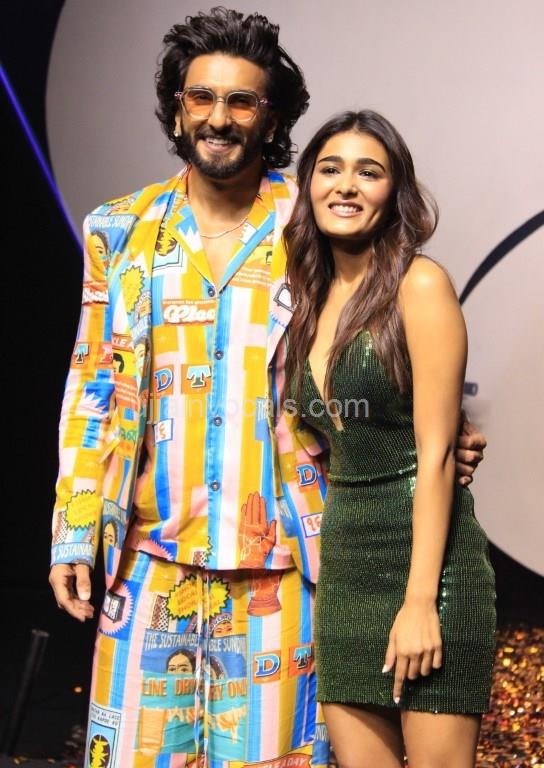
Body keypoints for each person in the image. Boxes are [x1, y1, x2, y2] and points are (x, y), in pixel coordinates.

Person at [48, 8, 487, 765]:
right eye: (201, 97)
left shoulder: (312, 217)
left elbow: (393, 336)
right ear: (177, 109)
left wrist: (433, 438)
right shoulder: (117, 230)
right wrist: (73, 530)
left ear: (272, 117)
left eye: (242, 101)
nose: (219, 118)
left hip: (285, 568)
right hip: (148, 562)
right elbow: (93, 384)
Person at [283, 110, 496, 767]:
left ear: (394, 191)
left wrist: (420, 602)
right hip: (346, 572)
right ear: (309, 184)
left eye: (368, 172)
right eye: (330, 168)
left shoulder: (420, 285)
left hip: (432, 571)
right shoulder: (307, 299)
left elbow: (437, 454)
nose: (346, 185)